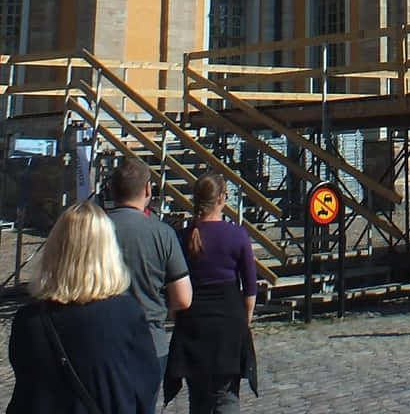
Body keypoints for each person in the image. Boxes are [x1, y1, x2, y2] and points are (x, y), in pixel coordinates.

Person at [7, 200, 160, 414]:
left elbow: (26, 390)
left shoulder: (28, 321)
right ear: (108, 252)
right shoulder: (126, 314)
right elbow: (146, 385)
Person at [165, 172, 258, 412]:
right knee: (226, 396)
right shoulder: (237, 235)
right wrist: (244, 322)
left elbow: (173, 283)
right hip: (228, 321)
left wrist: (177, 318)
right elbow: (250, 287)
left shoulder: (183, 237)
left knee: (198, 398)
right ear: (221, 200)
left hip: (194, 322)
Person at [109, 155, 193, 379]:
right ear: (148, 190)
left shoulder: (93, 229)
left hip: (103, 338)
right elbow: (183, 298)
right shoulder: (162, 233)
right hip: (149, 338)